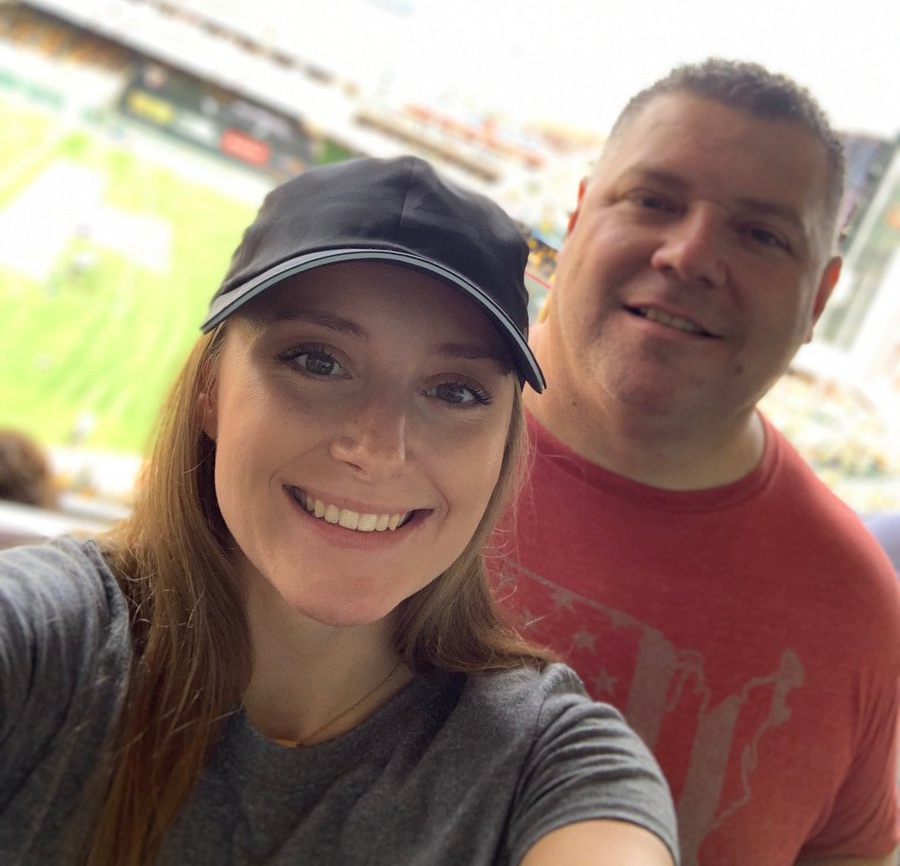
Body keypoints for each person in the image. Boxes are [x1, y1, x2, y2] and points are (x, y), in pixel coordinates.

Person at [0, 155, 678, 866]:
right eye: (317, 362)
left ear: (503, 444)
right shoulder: (47, 646)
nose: (379, 450)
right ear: (210, 391)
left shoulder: (551, 765)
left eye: (455, 392)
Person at [501, 60, 900, 865]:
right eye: (653, 200)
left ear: (819, 300)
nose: (689, 255)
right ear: (577, 217)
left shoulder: (859, 615)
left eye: (760, 234)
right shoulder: (357, 455)